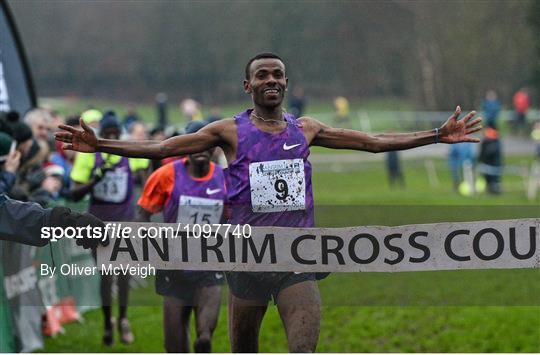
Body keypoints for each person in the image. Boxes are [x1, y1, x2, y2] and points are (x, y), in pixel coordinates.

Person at [56, 52, 482, 352]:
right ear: (248, 85)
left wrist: (437, 136)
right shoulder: (230, 132)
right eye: (262, 75)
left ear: (286, 82)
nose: (272, 80)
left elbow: (371, 142)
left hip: (296, 257)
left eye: (278, 74)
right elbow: (165, 147)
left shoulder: (307, 129)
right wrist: (103, 146)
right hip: (247, 261)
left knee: (303, 348)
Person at [137, 120, 226, 353]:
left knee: (205, 332)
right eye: (194, 144)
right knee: (174, 345)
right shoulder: (165, 175)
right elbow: (143, 214)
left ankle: (204, 338)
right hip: (174, 265)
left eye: (207, 145)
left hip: (209, 261)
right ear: (185, 146)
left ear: (214, 148)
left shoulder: (225, 179)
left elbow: (233, 219)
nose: (200, 150)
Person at [69, 111, 148, 346]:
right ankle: (107, 323)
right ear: (101, 134)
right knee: (106, 276)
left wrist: (142, 196)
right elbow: (74, 193)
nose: (112, 136)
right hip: (98, 223)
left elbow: (144, 174)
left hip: (124, 220)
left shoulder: (125, 150)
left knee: (123, 273)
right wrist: (96, 178)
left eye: (116, 133)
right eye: (108, 133)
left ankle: (123, 319)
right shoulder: (89, 156)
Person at [478, 127, 503, 194]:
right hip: (488, 163)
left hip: (493, 164)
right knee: (489, 178)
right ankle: (491, 190)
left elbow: (489, 153)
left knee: (494, 178)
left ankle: (495, 190)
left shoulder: (493, 142)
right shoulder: (487, 142)